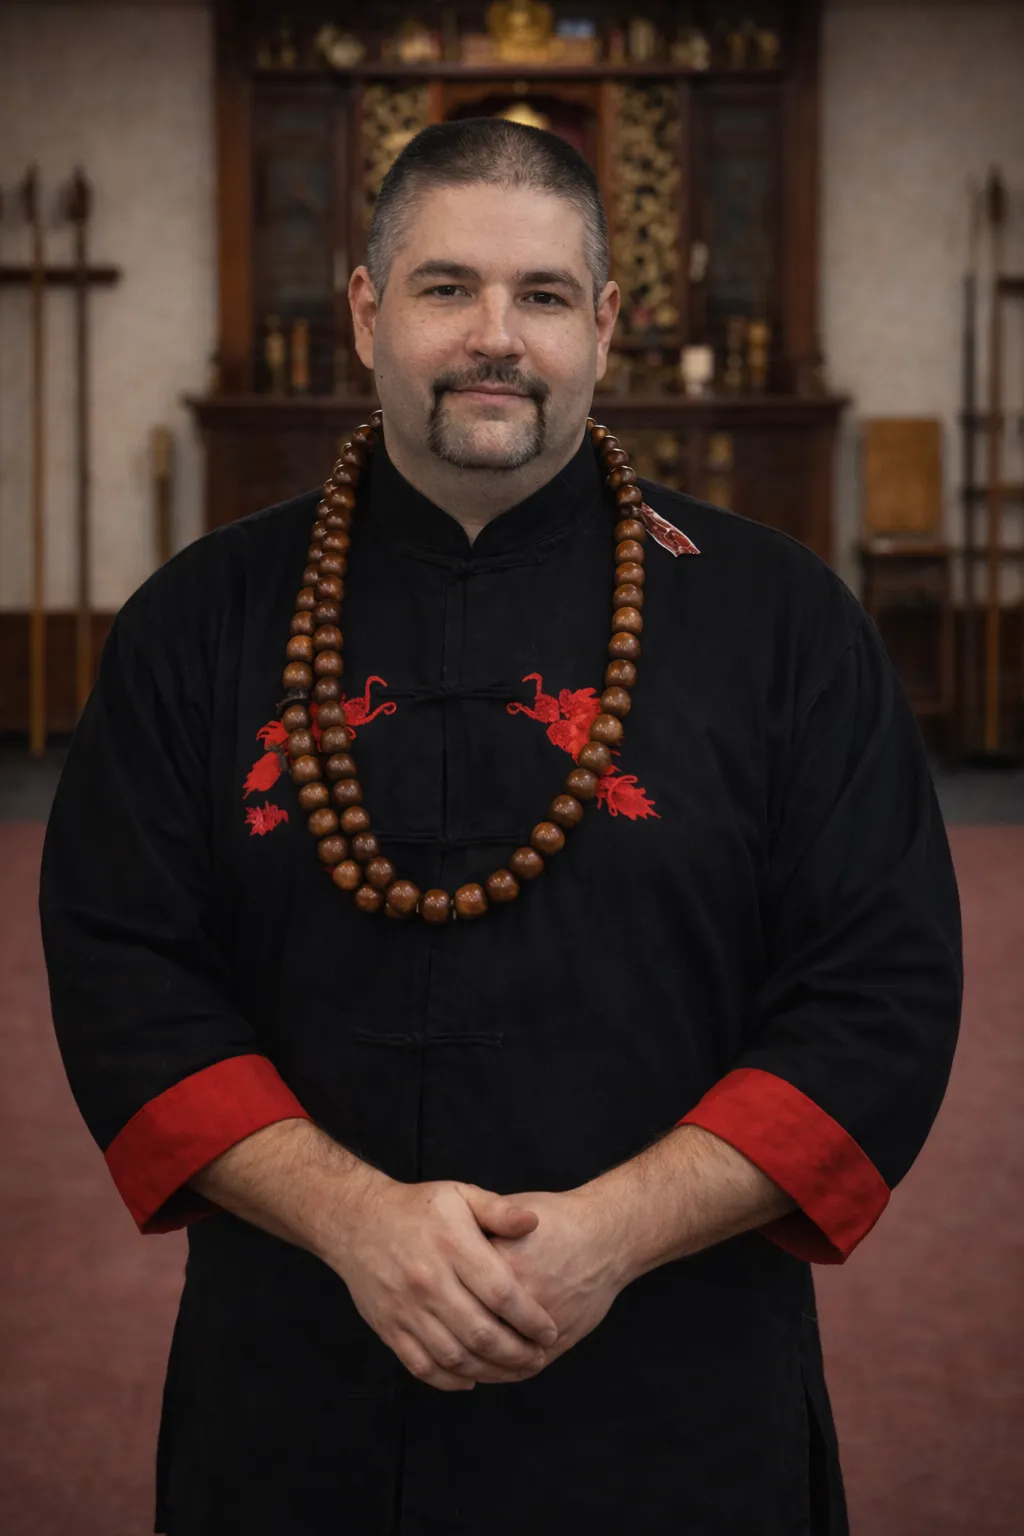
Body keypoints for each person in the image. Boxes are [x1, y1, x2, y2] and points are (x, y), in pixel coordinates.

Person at [39, 119, 962, 1536]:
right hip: (295, 1377)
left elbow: (879, 993)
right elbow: (123, 969)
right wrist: (355, 1221)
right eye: (444, 287)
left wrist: (606, 1239)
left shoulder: (782, 624)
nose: (495, 337)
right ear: (364, 312)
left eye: (540, 296)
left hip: (679, 1380)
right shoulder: (199, 621)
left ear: (603, 325)